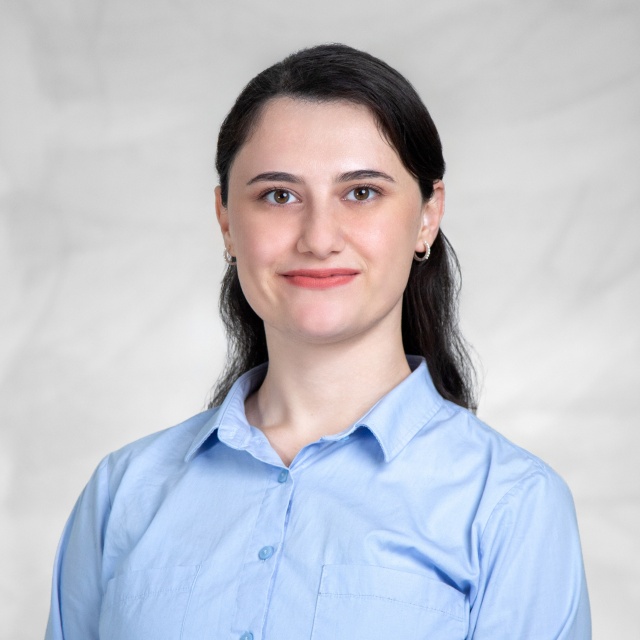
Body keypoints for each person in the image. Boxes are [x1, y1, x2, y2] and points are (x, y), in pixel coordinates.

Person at [45, 44, 591, 639]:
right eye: (279, 195)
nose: (319, 237)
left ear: (428, 215)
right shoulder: (123, 491)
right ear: (226, 220)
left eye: (361, 192)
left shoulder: (510, 502)